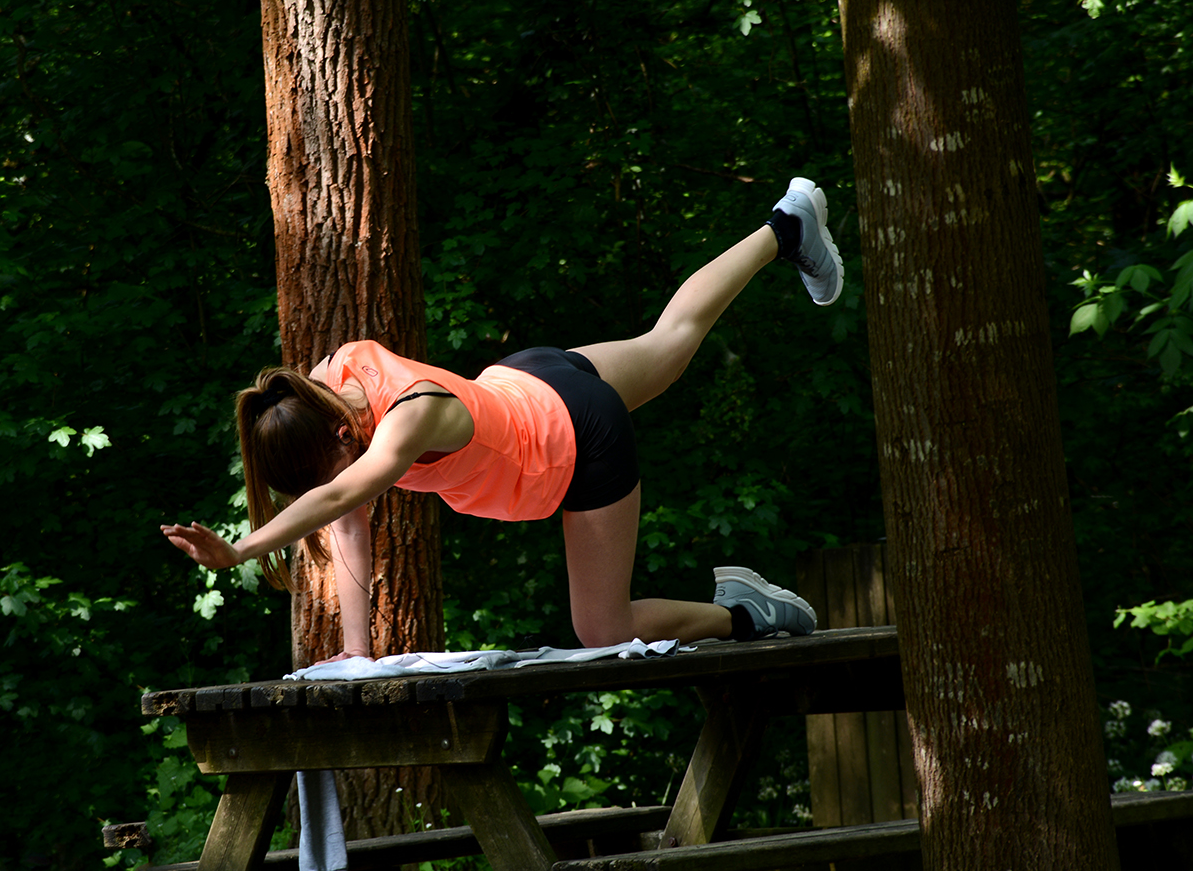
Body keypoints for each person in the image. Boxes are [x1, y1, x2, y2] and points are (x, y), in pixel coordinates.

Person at [163, 178, 843, 663]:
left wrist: (242, 550)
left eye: (326, 474)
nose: (338, 488)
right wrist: (355, 653)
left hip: (579, 440)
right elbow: (343, 511)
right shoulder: (327, 384)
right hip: (529, 378)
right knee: (668, 343)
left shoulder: (409, 422)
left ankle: (745, 614)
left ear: (343, 437)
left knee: (602, 629)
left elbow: (341, 497)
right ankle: (785, 226)